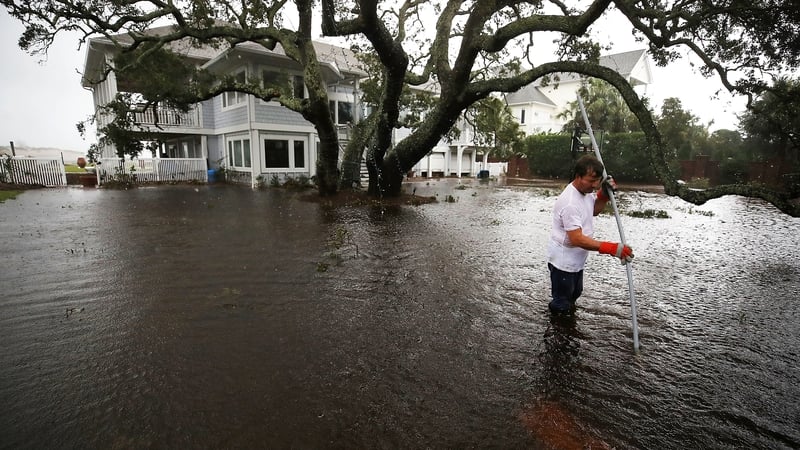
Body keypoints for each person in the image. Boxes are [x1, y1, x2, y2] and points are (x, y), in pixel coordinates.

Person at [547, 154, 633, 315]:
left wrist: (603, 195)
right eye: (591, 180)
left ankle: (566, 326)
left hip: (577, 260)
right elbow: (576, 238)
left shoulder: (585, 193)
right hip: (564, 262)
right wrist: (611, 248)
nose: (595, 185)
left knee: (575, 293)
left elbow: (593, 210)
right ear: (578, 176)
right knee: (562, 303)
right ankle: (556, 334)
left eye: (597, 181)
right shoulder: (570, 202)